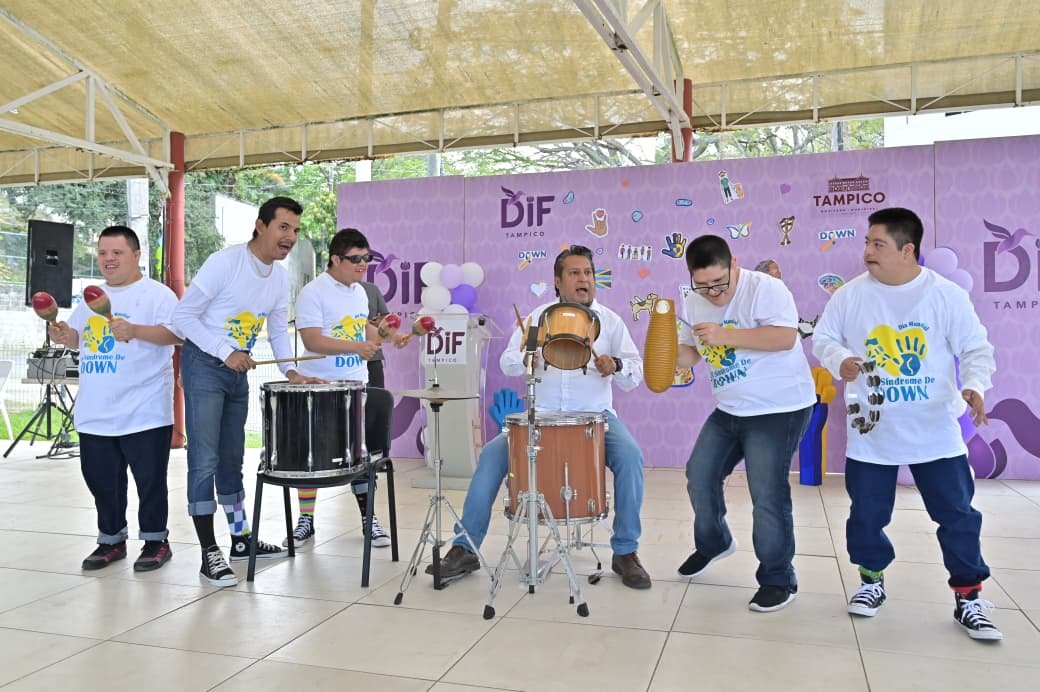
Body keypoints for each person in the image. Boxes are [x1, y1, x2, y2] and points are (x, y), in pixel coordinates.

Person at [813, 207, 1001, 640]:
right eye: (867, 242)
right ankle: (871, 581)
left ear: (907, 249)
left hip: (935, 431)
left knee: (957, 515)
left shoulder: (945, 295)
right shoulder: (850, 296)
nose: (867, 251)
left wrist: (974, 385)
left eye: (878, 244)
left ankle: (969, 598)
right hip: (871, 431)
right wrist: (840, 359)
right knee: (866, 516)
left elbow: (976, 348)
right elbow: (824, 338)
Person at [433, 244, 652, 589]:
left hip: (596, 417)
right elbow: (507, 361)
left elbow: (635, 374)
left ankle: (625, 551)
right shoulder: (537, 319)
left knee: (631, 457)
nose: (584, 279)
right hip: (541, 415)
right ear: (558, 282)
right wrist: (526, 358)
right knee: (491, 456)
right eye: (575, 273)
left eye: (588, 273)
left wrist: (617, 365)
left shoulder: (610, 322)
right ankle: (465, 547)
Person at [171, 196, 320, 587]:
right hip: (205, 365)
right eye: (283, 227)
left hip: (237, 371)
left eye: (295, 230)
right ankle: (209, 552)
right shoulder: (226, 263)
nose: (290, 237)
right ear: (261, 225)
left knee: (232, 458)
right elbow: (182, 316)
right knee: (204, 459)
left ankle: (240, 539)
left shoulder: (279, 278)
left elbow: (277, 330)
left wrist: (291, 371)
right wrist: (226, 351)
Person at [676, 235, 815, 612]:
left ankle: (778, 578)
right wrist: (667, 354)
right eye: (703, 285)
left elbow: (785, 337)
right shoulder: (693, 300)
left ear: (734, 264)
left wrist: (725, 335)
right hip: (731, 408)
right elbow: (691, 353)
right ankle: (714, 542)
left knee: (766, 493)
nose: (713, 293)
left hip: (779, 407)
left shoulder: (765, 288)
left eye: (719, 282)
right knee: (699, 474)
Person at [48, 226, 180, 572]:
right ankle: (111, 541)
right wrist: (64, 334)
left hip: (145, 408)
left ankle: (156, 541)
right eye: (103, 253)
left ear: (136, 255)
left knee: (150, 482)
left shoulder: (158, 295)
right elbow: (78, 338)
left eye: (116, 253)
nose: (108, 259)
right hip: (96, 410)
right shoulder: (93, 297)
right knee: (102, 482)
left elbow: (178, 334)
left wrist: (135, 330)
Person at [284, 228, 410, 549]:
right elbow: (312, 340)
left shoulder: (359, 292)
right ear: (336, 259)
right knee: (310, 458)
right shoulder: (313, 292)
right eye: (355, 259)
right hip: (318, 389)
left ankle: (369, 519)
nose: (363, 264)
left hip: (356, 388)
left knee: (360, 455)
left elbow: (361, 325)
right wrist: (356, 347)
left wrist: (389, 336)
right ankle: (306, 520)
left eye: (366, 258)